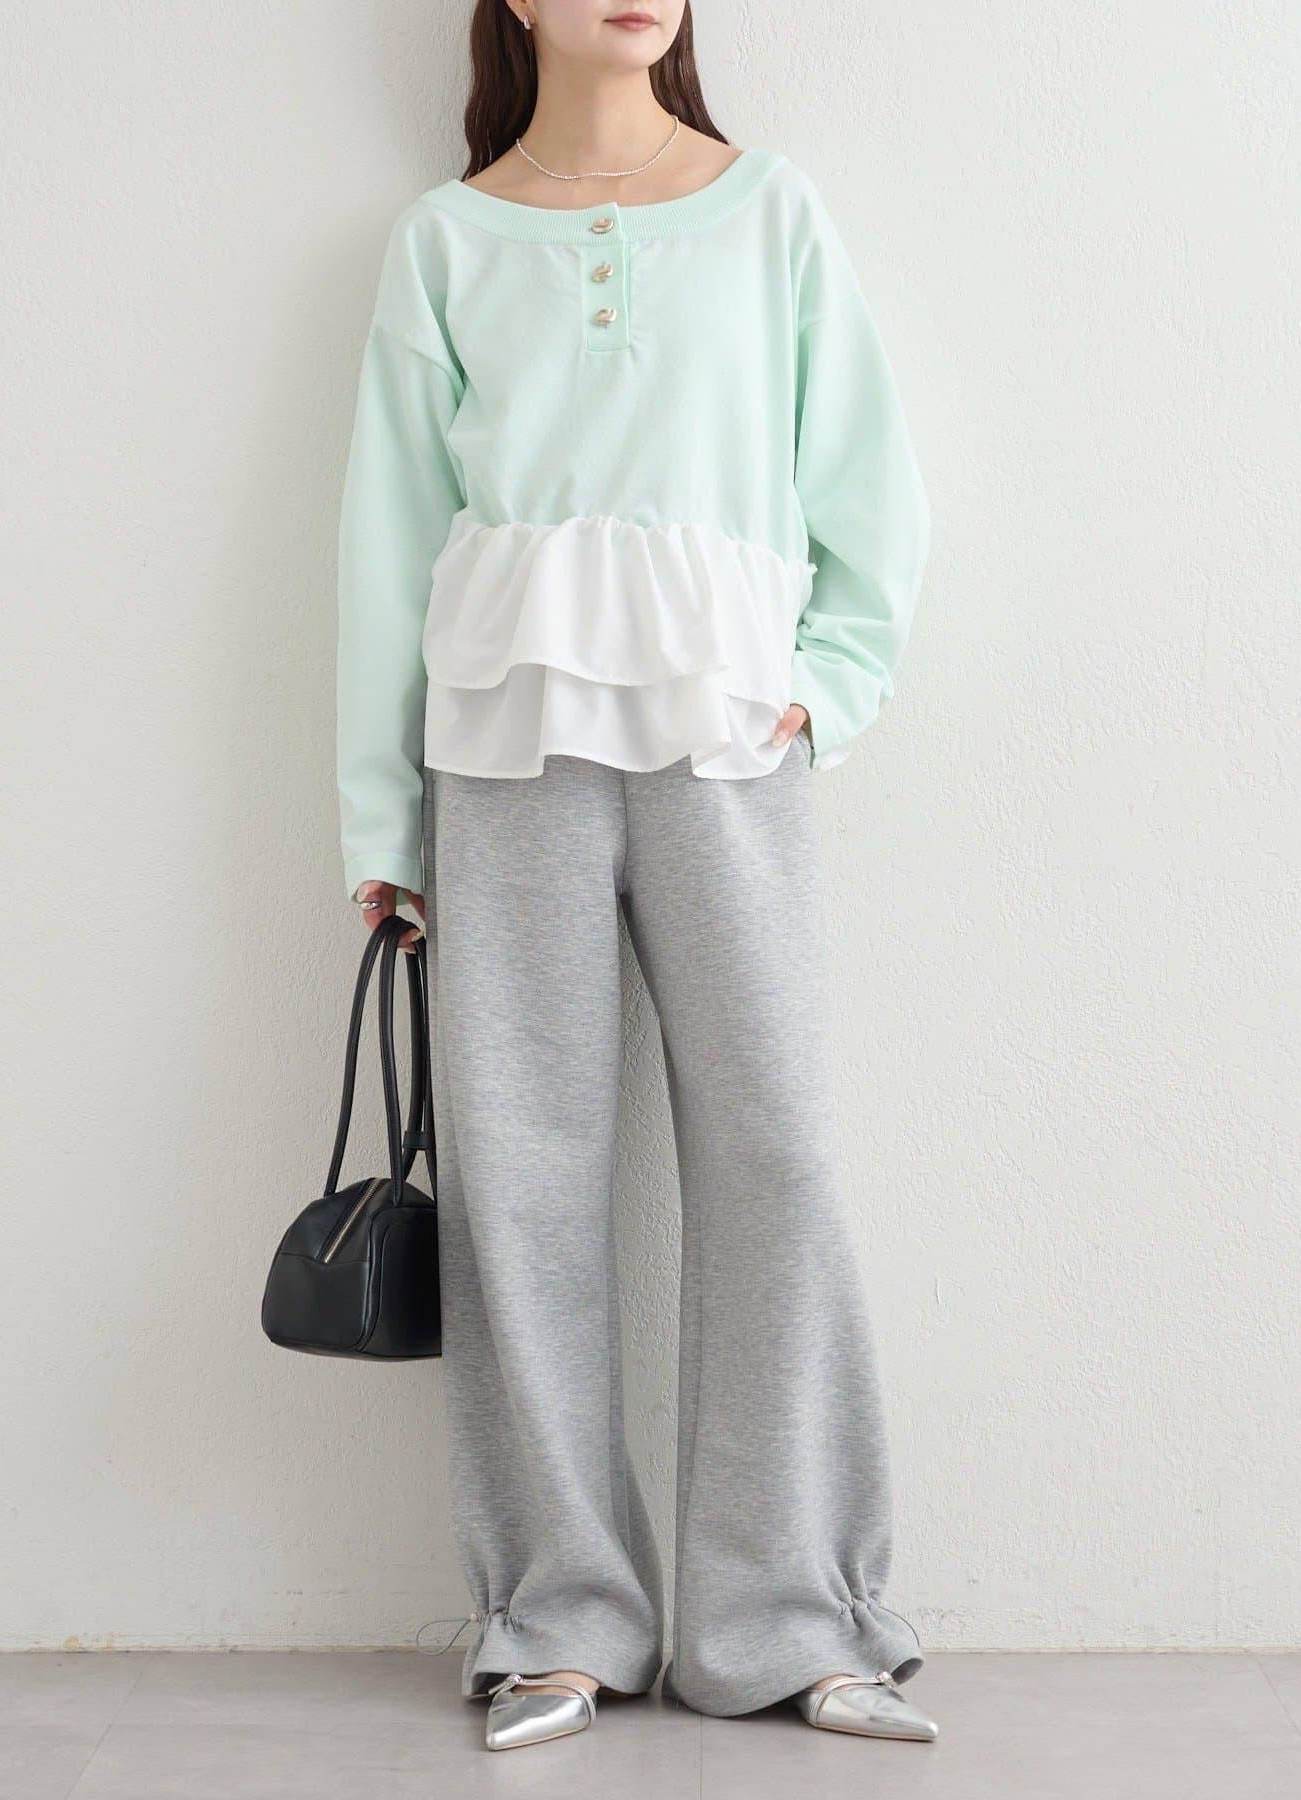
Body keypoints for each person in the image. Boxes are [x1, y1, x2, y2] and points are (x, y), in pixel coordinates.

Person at [336, 0, 935, 1753]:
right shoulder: (446, 238)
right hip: (503, 745)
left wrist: (827, 687)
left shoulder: (768, 210)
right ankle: (558, 1615)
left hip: (726, 734)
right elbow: (384, 537)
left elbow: (868, 480)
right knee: (522, 1178)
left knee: (777, 1151)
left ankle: (788, 1616)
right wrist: (381, 826)